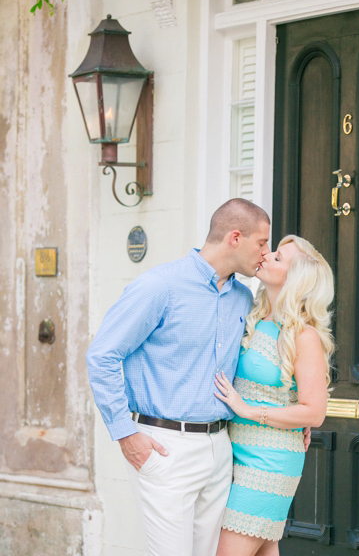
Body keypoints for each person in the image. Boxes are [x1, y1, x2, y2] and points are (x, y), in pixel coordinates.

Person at [86, 198, 272, 556]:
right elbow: (103, 354)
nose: (265, 253)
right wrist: (125, 433)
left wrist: (293, 411)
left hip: (220, 445)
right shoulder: (160, 286)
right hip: (165, 446)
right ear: (235, 237)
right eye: (261, 243)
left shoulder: (243, 298)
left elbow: (257, 363)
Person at [214, 235, 335, 556]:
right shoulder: (253, 315)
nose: (266, 256)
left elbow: (315, 412)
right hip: (235, 455)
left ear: (295, 279)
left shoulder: (304, 336)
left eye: (279, 258)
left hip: (269, 462)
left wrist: (249, 410)